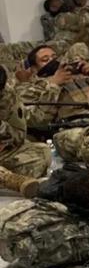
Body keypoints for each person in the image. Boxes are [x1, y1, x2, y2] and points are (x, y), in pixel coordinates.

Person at [14, 43, 89, 133]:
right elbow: (38, 120)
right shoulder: (34, 87)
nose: (52, 61)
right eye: (45, 59)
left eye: (54, 57)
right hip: (76, 127)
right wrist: (54, 85)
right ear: (34, 69)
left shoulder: (80, 74)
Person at [0, 66, 50, 196]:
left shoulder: (6, 95)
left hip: (4, 152)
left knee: (42, 152)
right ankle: (10, 180)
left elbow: (19, 134)